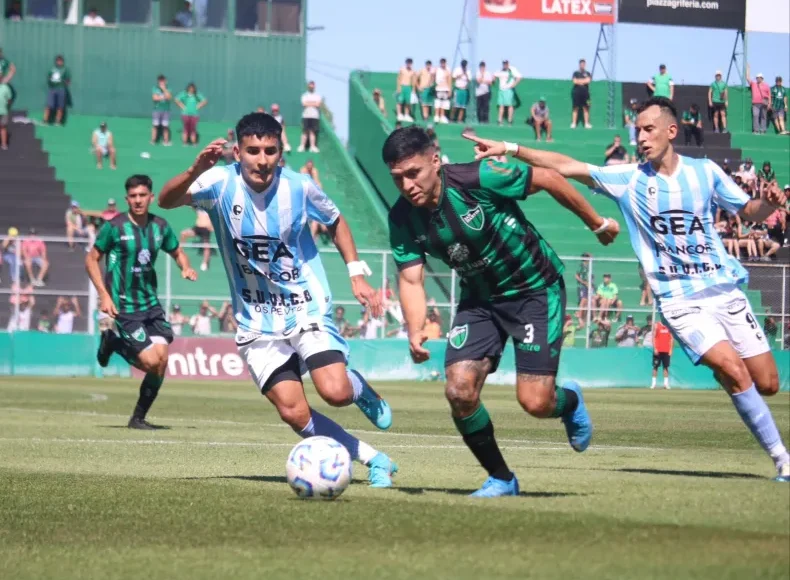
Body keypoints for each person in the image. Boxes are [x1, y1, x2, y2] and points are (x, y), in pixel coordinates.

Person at [464, 96, 790, 482]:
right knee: (734, 370)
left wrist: (767, 205)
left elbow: (747, 211)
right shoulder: (629, 179)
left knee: (767, 383)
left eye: (649, 129)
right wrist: (510, 147)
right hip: (679, 300)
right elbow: (566, 166)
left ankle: (733, 382)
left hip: (723, 290)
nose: (641, 137)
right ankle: (782, 460)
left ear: (671, 131)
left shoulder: (705, 172)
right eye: (638, 131)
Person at [156, 112, 398, 488]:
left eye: (270, 151)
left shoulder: (299, 187)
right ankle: (374, 460)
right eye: (253, 151)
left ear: (280, 152)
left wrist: (356, 273)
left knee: (334, 392)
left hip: (304, 306)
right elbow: (166, 200)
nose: (262, 159)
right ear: (238, 152)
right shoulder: (218, 182)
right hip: (255, 320)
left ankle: (358, 388)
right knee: (293, 412)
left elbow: (335, 220)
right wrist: (194, 170)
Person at [382, 125, 620, 497]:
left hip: (534, 289)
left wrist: (598, 223)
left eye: (413, 173)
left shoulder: (478, 177)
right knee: (459, 390)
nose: (407, 185)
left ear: (435, 160)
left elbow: (549, 178)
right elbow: (411, 279)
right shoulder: (401, 218)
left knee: (535, 403)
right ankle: (502, 478)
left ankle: (569, 401)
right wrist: (415, 329)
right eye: (398, 178)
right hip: (480, 301)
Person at [85, 175, 198, 430]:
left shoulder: (160, 227)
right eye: (133, 196)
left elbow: (177, 252)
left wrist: (186, 267)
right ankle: (113, 342)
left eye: (142, 195)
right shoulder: (115, 227)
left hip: (151, 304)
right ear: (127, 199)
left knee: (161, 361)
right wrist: (104, 295)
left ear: (151, 197)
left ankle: (138, 418)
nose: (138, 200)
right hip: (124, 306)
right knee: (149, 362)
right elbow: (91, 259)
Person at [651, 319, 673, 389]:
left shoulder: (669, 326)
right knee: (655, 366)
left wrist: (670, 350)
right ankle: (653, 384)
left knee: (665, 367)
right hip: (658, 351)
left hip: (666, 350)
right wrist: (655, 348)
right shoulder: (656, 325)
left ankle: (665, 384)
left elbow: (671, 338)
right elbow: (653, 337)